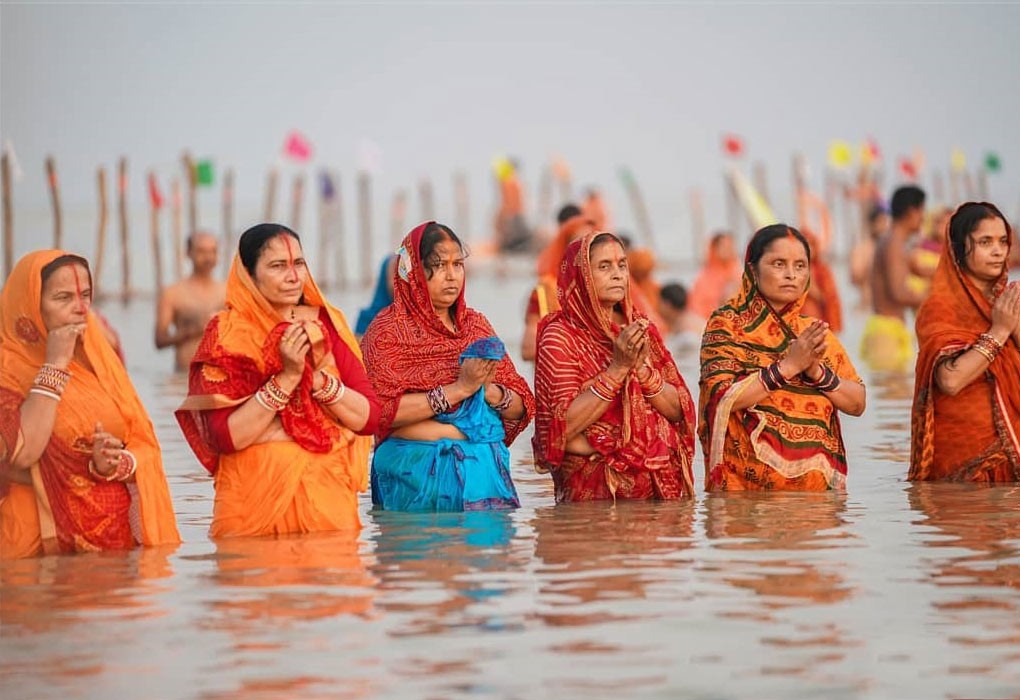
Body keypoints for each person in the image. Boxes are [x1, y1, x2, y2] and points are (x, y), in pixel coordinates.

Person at [175, 223, 378, 537]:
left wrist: (317, 381)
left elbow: (369, 418)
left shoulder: (324, 323)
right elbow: (225, 438)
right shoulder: (227, 333)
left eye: (298, 264)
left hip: (327, 504)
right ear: (248, 274)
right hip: (252, 506)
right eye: (278, 266)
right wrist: (286, 379)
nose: (294, 277)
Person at [1, 250, 180, 558]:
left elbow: (140, 440)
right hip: (34, 549)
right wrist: (55, 363)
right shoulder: (7, 368)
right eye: (63, 297)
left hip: (109, 550)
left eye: (86, 295)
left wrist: (115, 462)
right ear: (30, 304)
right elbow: (19, 452)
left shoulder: (97, 360)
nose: (81, 308)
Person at [362, 221, 535, 512]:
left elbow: (522, 405)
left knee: (487, 553)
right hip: (413, 470)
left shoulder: (475, 326)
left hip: (482, 469)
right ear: (413, 270)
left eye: (457, 264)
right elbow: (379, 414)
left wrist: (488, 391)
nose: (451, 276)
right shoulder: (386, 331)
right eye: (438, 265)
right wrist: (459, 390)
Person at [699, 224, 866, 492]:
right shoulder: (727, 325)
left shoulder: (812, 331)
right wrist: (789, 366)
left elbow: (857, 403)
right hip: (746, 505)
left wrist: (816, 373)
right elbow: (721, 397)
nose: (791, 275)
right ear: (753, 270)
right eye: (779, 264)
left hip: (816, 508)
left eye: (800, 266)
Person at [533, 232, 697, 502]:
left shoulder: (639, 327)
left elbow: (679, 409)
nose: (618, 274)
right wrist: (618, 369)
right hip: (594, 494)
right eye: (604, 266)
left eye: (622, 265)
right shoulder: (560, 336)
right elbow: (558, 427)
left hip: (655, 495)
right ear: (581, 274)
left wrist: (642, 372)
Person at [910, 202, 1020, 482]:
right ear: (958, 249)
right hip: (965, 471)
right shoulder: (939, 309)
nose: (998, 251)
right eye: (985, 242)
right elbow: (950, 380)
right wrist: (1000, 331)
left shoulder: (1011, 302)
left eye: (1003, 241)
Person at [862, 185, 928, 371]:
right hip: (886, 334)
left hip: (890, 330)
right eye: (923, 210)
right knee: (894, 395)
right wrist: (937, 300)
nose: (923, 217)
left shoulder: (893, 241)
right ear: (912, 211)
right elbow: (899, 293)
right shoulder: (893, 242)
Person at [521, 204, 596, 361]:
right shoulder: (546, 289)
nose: (586, 252)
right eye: (579, 245)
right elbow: (528, 351)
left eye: (592, 245)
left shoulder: (606, 288)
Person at [155, 231, 226, 371]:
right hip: (184, 377)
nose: (208, 257)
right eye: (201, 251)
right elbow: (160, 340)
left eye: (213, 251)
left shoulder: (228, 292)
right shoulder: (173, 294)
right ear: (189, 253)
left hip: (221, 375)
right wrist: (195, 330)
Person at [687, 231, 742, 321]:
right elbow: (696, 308)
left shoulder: (738, 271)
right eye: (724, 246)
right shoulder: (704, 277)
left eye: (730, 246)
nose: (729, 250)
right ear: (715, 248)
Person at [800, 228, 844, 333]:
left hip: (817, 320)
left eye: (810, 245)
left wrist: (812, 290)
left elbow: (830, 298)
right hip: (797, 323)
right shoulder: (791, 270)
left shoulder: (822, 270)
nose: (808, 249)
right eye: (804, 246)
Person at [849, 204, 890, 310]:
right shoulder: (861, 249)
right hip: (867, 304)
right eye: (881, 222)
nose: (884, 226)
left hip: (888, 308)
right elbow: (854, 278)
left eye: (886, 222)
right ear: (872, 224)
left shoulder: (890, 249)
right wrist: (872, 265)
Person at [355, 253, 397, 338]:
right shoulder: (367, 320)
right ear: (384, 279)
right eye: (395, 274)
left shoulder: (417, 320)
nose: (400, 282)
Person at [656, 282, 704, 351]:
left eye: (660, 303)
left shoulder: (687, 330)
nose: (658, 306)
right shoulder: (691, 319)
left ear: (667, 305)